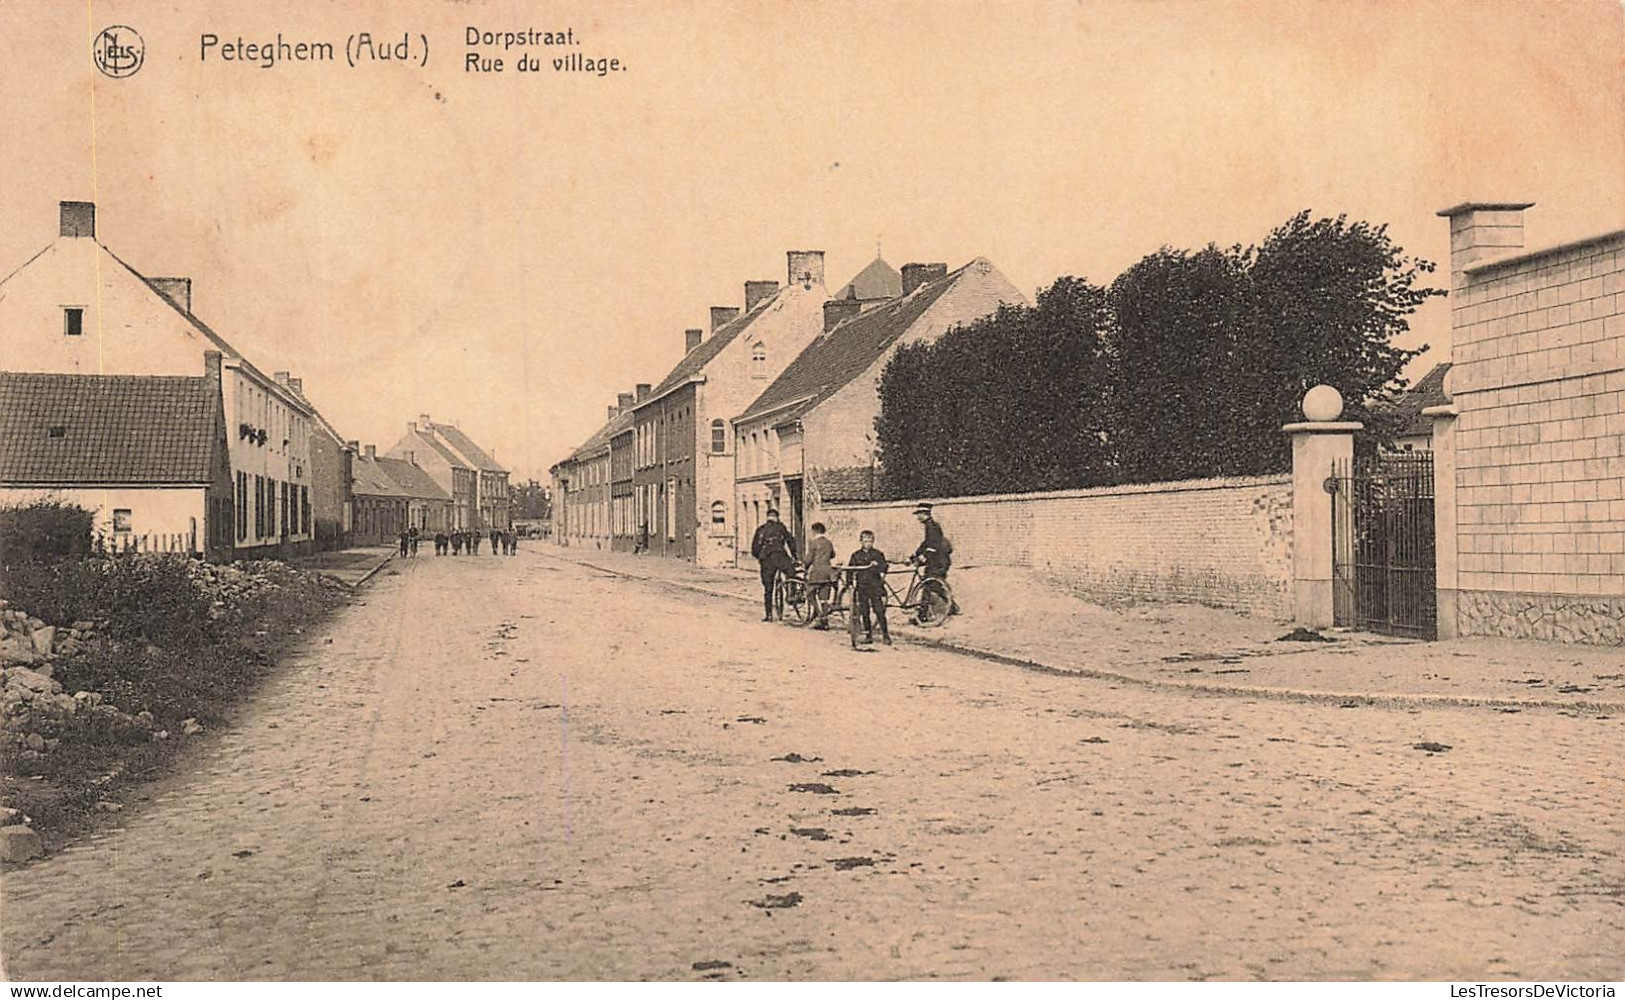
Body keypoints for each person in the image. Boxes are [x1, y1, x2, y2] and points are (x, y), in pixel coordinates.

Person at [910, 502, 960, 615]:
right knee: (935, 585)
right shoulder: (930, 525)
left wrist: (923, 556)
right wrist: (915, 555)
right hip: (937, 561)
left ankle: (922, 616)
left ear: (924, 514)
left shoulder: (932, 527)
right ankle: (952, 607)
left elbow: (933, 546)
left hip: (938, 562)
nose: (917, 517)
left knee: (928, 584)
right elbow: (926, 543)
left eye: (919, 514)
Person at [749, 507, 795, 622]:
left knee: (768, 588)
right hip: (780, 557)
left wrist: (760, 558)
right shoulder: (781, 528)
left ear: (767, 517)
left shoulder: (760, 529)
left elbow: (754, 548)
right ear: (776, 518)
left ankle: (769, 615)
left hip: (766, 560)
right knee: (791, 572)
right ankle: (791, 593)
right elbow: (790, 541)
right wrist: (794, 556)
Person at [847, 529, 891, 645]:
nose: (868, 543)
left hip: (875, 586)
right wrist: (850, 584)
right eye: (865, 541)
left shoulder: (877, 554)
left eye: (870, 541)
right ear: (861, 541)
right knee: (864, 611)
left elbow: (884, 566)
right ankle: (868, 635)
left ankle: (886, 635)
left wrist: (881, 572)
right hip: (862, 587)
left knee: (879, 611)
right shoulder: (856, 555)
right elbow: (850, 570)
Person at [802, 521, 837, 630]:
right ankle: (825, 622)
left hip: (817, 572)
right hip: (828, 572)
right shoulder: (829, 542)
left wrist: (805, 567)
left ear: (815, 531)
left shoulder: (813, 543)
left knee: (809, 593)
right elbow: (833, 555)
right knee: (824, 598)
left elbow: (809, 559)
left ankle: (820, 615)